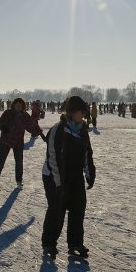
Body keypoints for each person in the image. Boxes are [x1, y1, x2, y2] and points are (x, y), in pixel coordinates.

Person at [41, 96, 96, 259]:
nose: (84, 115)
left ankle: (75, 243)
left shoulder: (83, 130)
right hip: (54, 175)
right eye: (81, 112)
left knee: (78, 208)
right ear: (71, 113)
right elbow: (53, 159)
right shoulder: (57, 130)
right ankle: (49, 243)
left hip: (74, 175)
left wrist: (90, 173)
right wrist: (59, 185)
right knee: (57, 209)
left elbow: (87, 154)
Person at [0, 98, 43, 188]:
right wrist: (4, 128)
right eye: (17, 105)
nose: (19, 107)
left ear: (23, 106)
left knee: (19, 162)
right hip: (6, 140)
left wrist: (37, 131)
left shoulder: (25, 115)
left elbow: (30, 126)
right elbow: (1, 122)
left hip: (18, 142)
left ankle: (19, 181)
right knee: (1, 160)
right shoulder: (8, 113)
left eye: (20, 105)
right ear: (14, 105)